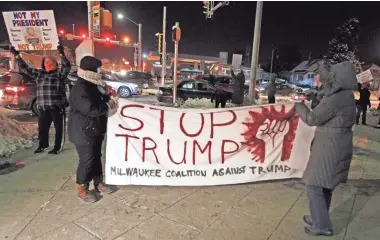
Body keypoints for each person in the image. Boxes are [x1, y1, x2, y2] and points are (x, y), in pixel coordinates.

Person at [294, 61, 356, 237]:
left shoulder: (337, 98)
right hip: (335, 144)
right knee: (324, 186)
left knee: (313, 185)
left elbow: (313, 118)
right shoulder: (345, 95)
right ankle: (319, 218)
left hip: (330, 147)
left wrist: (299, 107)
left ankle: (322, 225)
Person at [68, 56, 118, 203]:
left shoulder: (94, 84)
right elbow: (91, 109)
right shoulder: (81, 87)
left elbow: (100, 100)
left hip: (94, 129)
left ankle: (98, 183)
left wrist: (108, 97)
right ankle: (82, 188)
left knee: (96, 157)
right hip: (83, 131)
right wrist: (109, 105)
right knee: (87, 160)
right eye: (98, 69)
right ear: (91, 70)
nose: (100, 71)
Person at [10, 44, 71, 154]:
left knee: (59, 128)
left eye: (49, 61)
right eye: (45, 62)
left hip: (56, 106)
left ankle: (58, 147)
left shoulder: (59, 74)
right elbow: (25, 69)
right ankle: (43, 145)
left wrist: (61, 54)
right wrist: (17, 56)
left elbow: (67, 67)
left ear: (55, 63)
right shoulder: (40, 74)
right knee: (42, 128)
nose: (47, 63)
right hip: (43, 106)